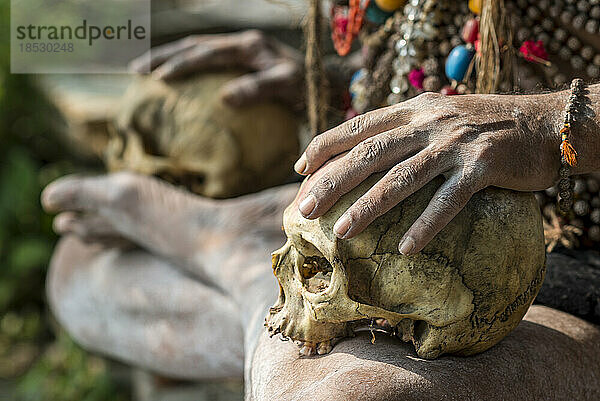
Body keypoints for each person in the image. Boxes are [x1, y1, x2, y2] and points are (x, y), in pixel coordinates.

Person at [43, 2, 600, 400]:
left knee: (342, 395)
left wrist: (544, 126)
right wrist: (338, 83)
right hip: (395, 204)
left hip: (569, 248)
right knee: (79, 265)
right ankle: (272, 285)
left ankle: (240, 270)